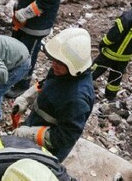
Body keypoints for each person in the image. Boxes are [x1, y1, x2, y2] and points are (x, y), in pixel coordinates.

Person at [12, 28, 95, 162]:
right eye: (54, 60)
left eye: (59, 63)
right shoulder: (63, 68)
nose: (54, 65)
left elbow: (64, 137)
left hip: (47, 150)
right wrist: (26, 98)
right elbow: (47, 83)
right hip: (35, 124)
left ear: (74, 65)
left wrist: (29, 134)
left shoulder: (78, 99)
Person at [7, 0, 61, 97]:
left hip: (37, 25)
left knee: (28, 55)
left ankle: (22, 85)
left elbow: (48, 0)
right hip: (23, 20)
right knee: (15, 49)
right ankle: (11, 77)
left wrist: (26, 13)